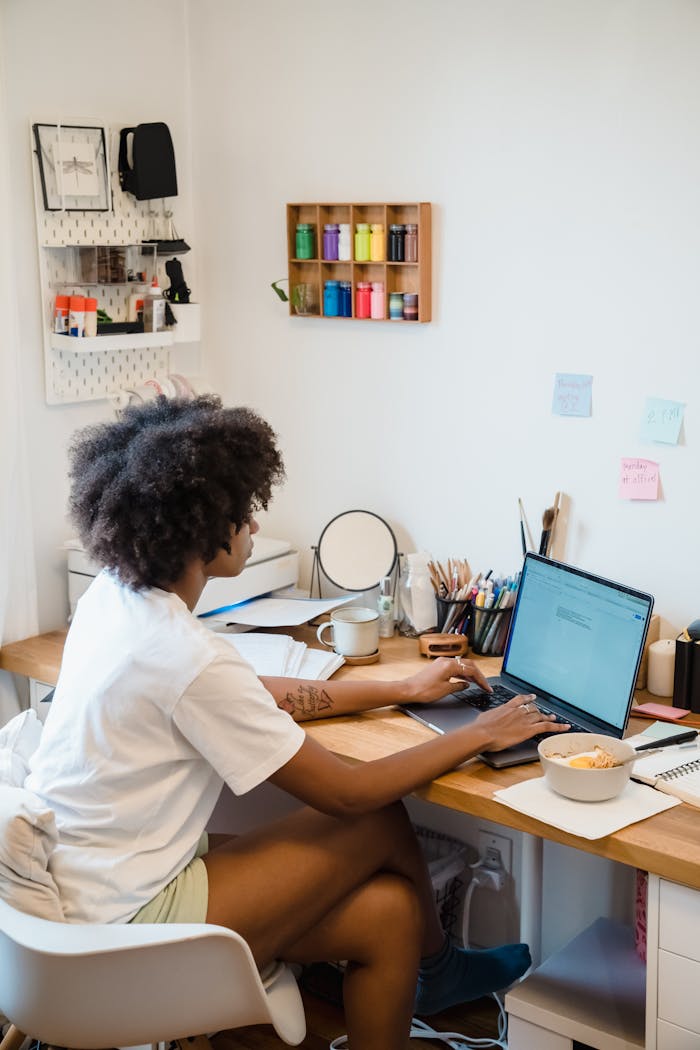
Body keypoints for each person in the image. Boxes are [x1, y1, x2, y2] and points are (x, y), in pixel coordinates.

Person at [27, 395, 569, 1050]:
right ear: (204, 529)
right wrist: (480, 733)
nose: (254, 524)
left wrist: (399, 687)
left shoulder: (115, 601)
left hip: (80, 890)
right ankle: (443, 969)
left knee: (390, 917)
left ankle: (433, 968)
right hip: (123, 920)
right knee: (374, 814)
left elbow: (250, 694)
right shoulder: (182, 654)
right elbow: (347, 793)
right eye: (243, 510)